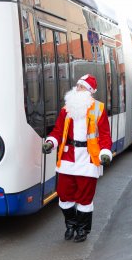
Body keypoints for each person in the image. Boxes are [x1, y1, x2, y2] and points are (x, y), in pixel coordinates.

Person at [42, 75, 113, 243]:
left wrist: (105, 152)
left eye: (81, 87)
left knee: (85, 197)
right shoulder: (67, 109)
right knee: (64, 194)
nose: (77, 88)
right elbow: (58, 131)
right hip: (68, 157)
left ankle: (82, 229)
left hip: (88, 159)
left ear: (88, 91)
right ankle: (71, 225)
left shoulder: (98, 108)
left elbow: (104, 134)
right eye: (77, 85)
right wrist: (50, 142)